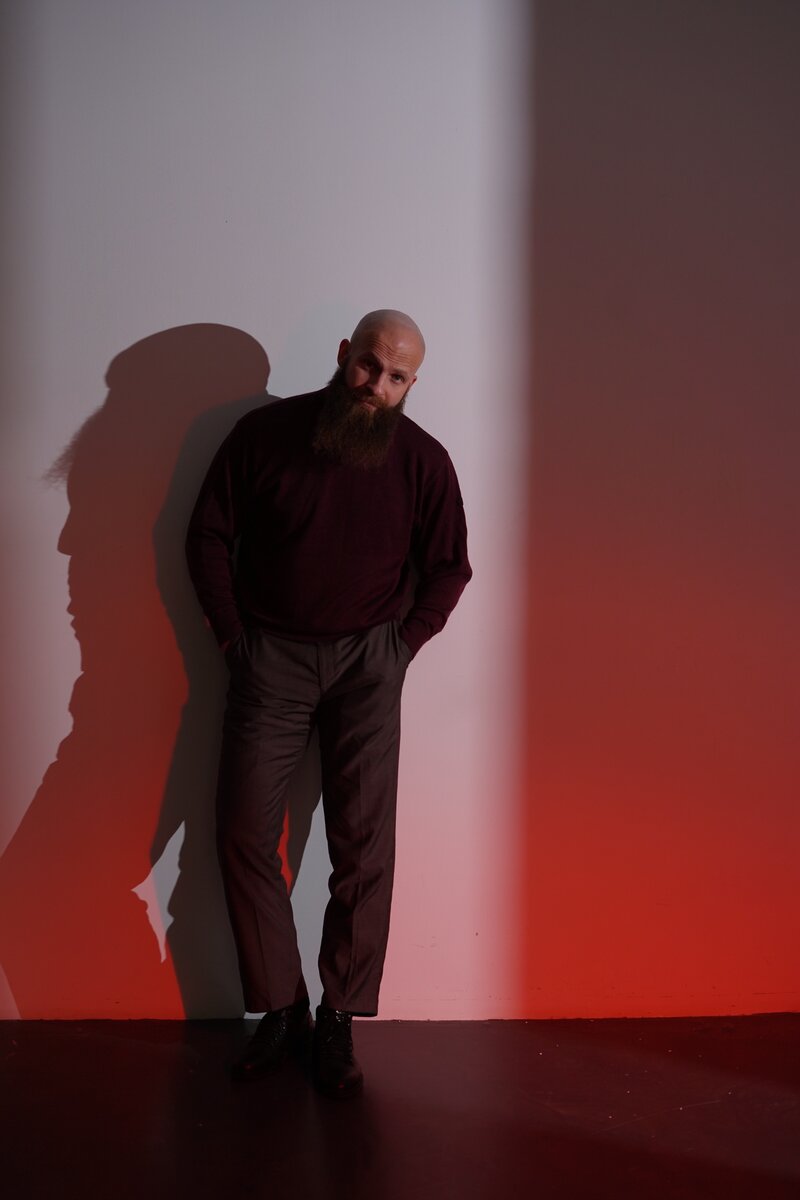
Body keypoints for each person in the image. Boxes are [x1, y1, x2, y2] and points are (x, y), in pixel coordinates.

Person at [185, 309, 472, 1097]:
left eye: (396, 377)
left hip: (368, 666)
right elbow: (206, 535)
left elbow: (450, 565)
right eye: (369, 365)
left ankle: (338, 1015)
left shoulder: (423, 461)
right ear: (345, 354)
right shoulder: (263, 436)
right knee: (243, 830)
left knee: (364, 847)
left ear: (412, 384)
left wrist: (402, 646)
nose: (376, 386)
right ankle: (282, 1008)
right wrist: (234, 639)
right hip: (269, 659)